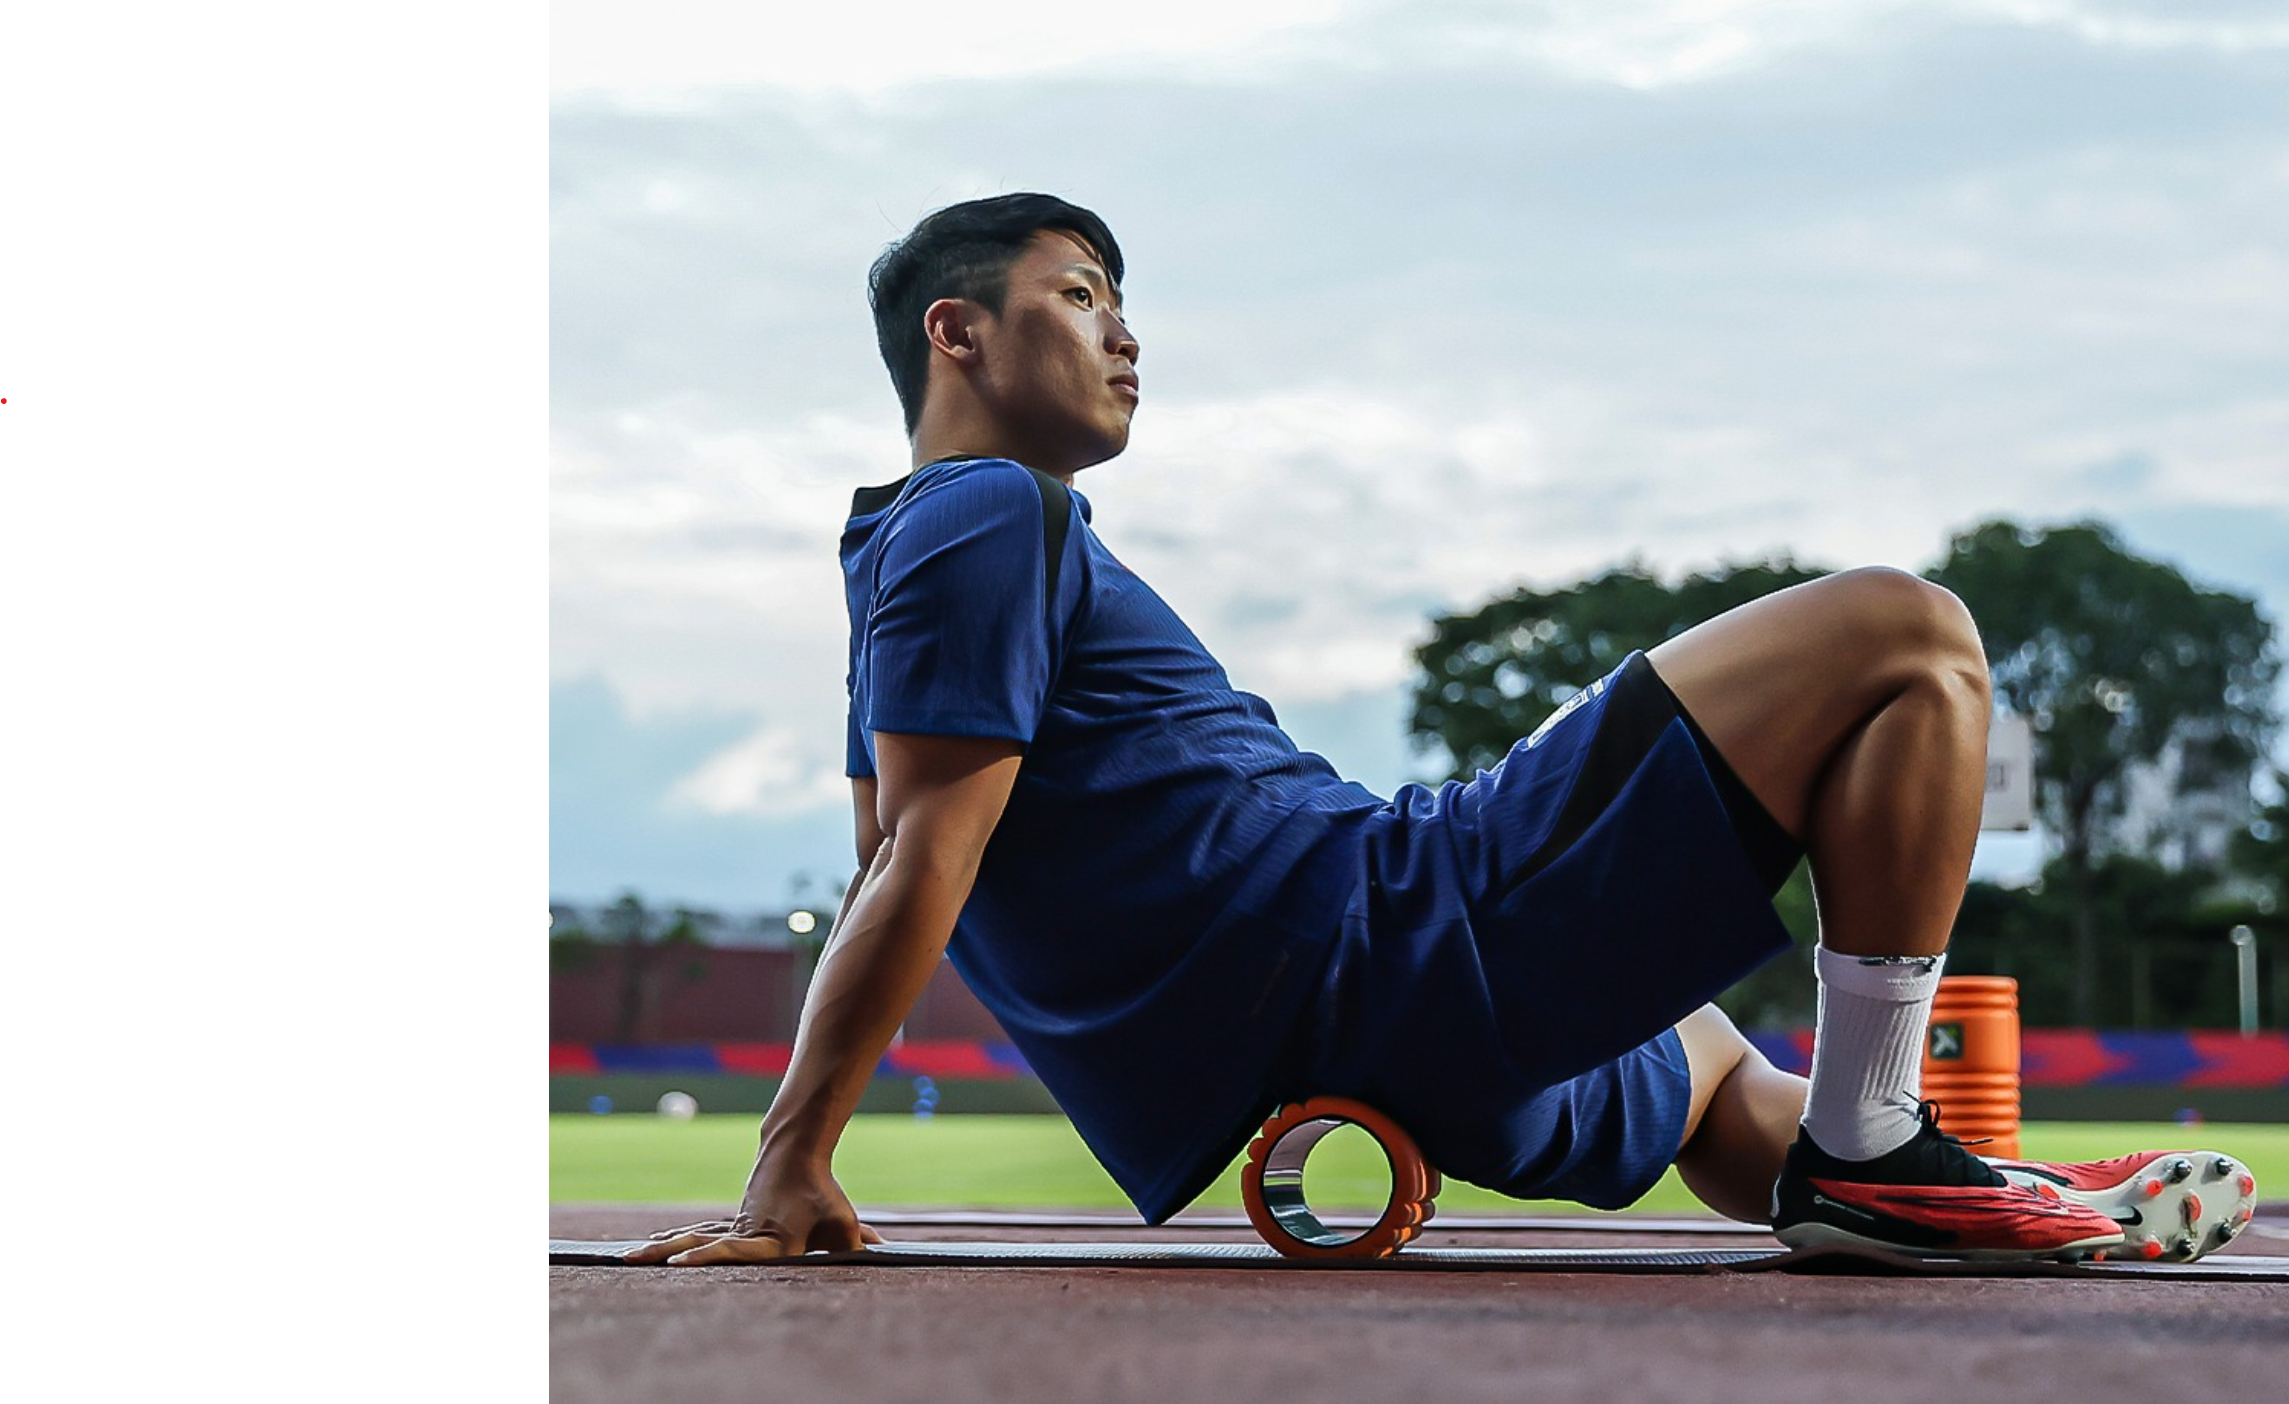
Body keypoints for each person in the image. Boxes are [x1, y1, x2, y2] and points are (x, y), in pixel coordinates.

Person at [631, 193, 2254, 1268]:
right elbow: (919, 858)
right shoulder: (985, 507)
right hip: (1384, 924)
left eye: (1124, 302)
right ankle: (1889, 1141)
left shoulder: (898, 562)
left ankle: (1964, 1193)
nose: (1127, 332)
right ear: (956, 334)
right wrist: (790, 1153)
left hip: (1355, 1026)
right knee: (1908, 634)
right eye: (1081, 293)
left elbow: (891, 858)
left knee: (1707, 1074)